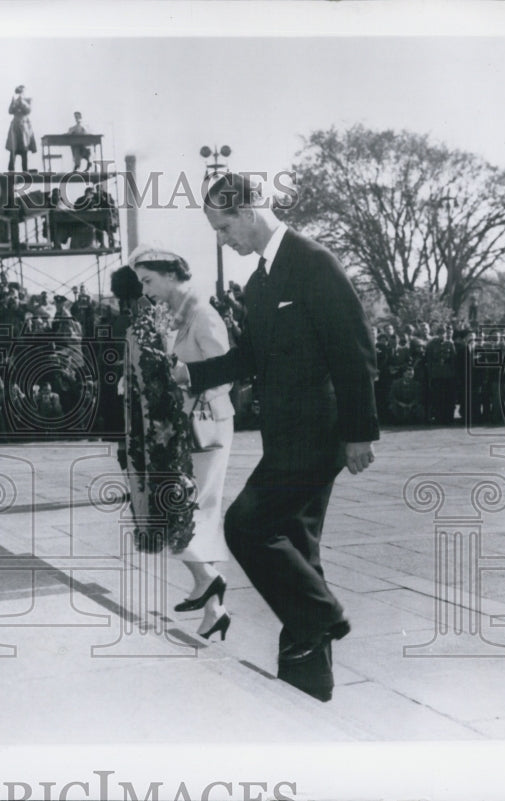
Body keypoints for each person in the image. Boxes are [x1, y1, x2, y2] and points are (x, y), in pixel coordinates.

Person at [174, 173, 379, 702]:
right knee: (297, 546)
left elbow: (354, 349)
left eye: (223, 227)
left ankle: (323, 615)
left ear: (247, 211)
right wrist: (188, 376)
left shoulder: (312, 261)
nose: (223, 240)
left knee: (246, 525)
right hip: (286, 436)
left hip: (320, 433)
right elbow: (252, 357)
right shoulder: (263, 280)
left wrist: (360, 434)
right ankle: (309, 674)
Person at [130, 250, 235, 643]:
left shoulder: (203, 314)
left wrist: (180, 380)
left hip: (205, 428)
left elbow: (226, 375)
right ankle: (213, 607)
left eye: (149, 281)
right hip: (179, 430)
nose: (146, 290)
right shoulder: (168, 317)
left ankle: (209, 580)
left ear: (172, 274)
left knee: (184, 512)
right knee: (186, 513)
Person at [6, 85, 36, 172]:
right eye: (18, 92)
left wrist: (21, 101)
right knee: (13, 150)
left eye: (21, 92)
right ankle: (11, 172)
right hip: (15, 127)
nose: (19, 94)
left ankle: (25, 172)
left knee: (24, 151)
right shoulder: (14, 100)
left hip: (24, 127)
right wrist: (13, 102)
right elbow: (10, 111)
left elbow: (28, 110)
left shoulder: (28, 100)